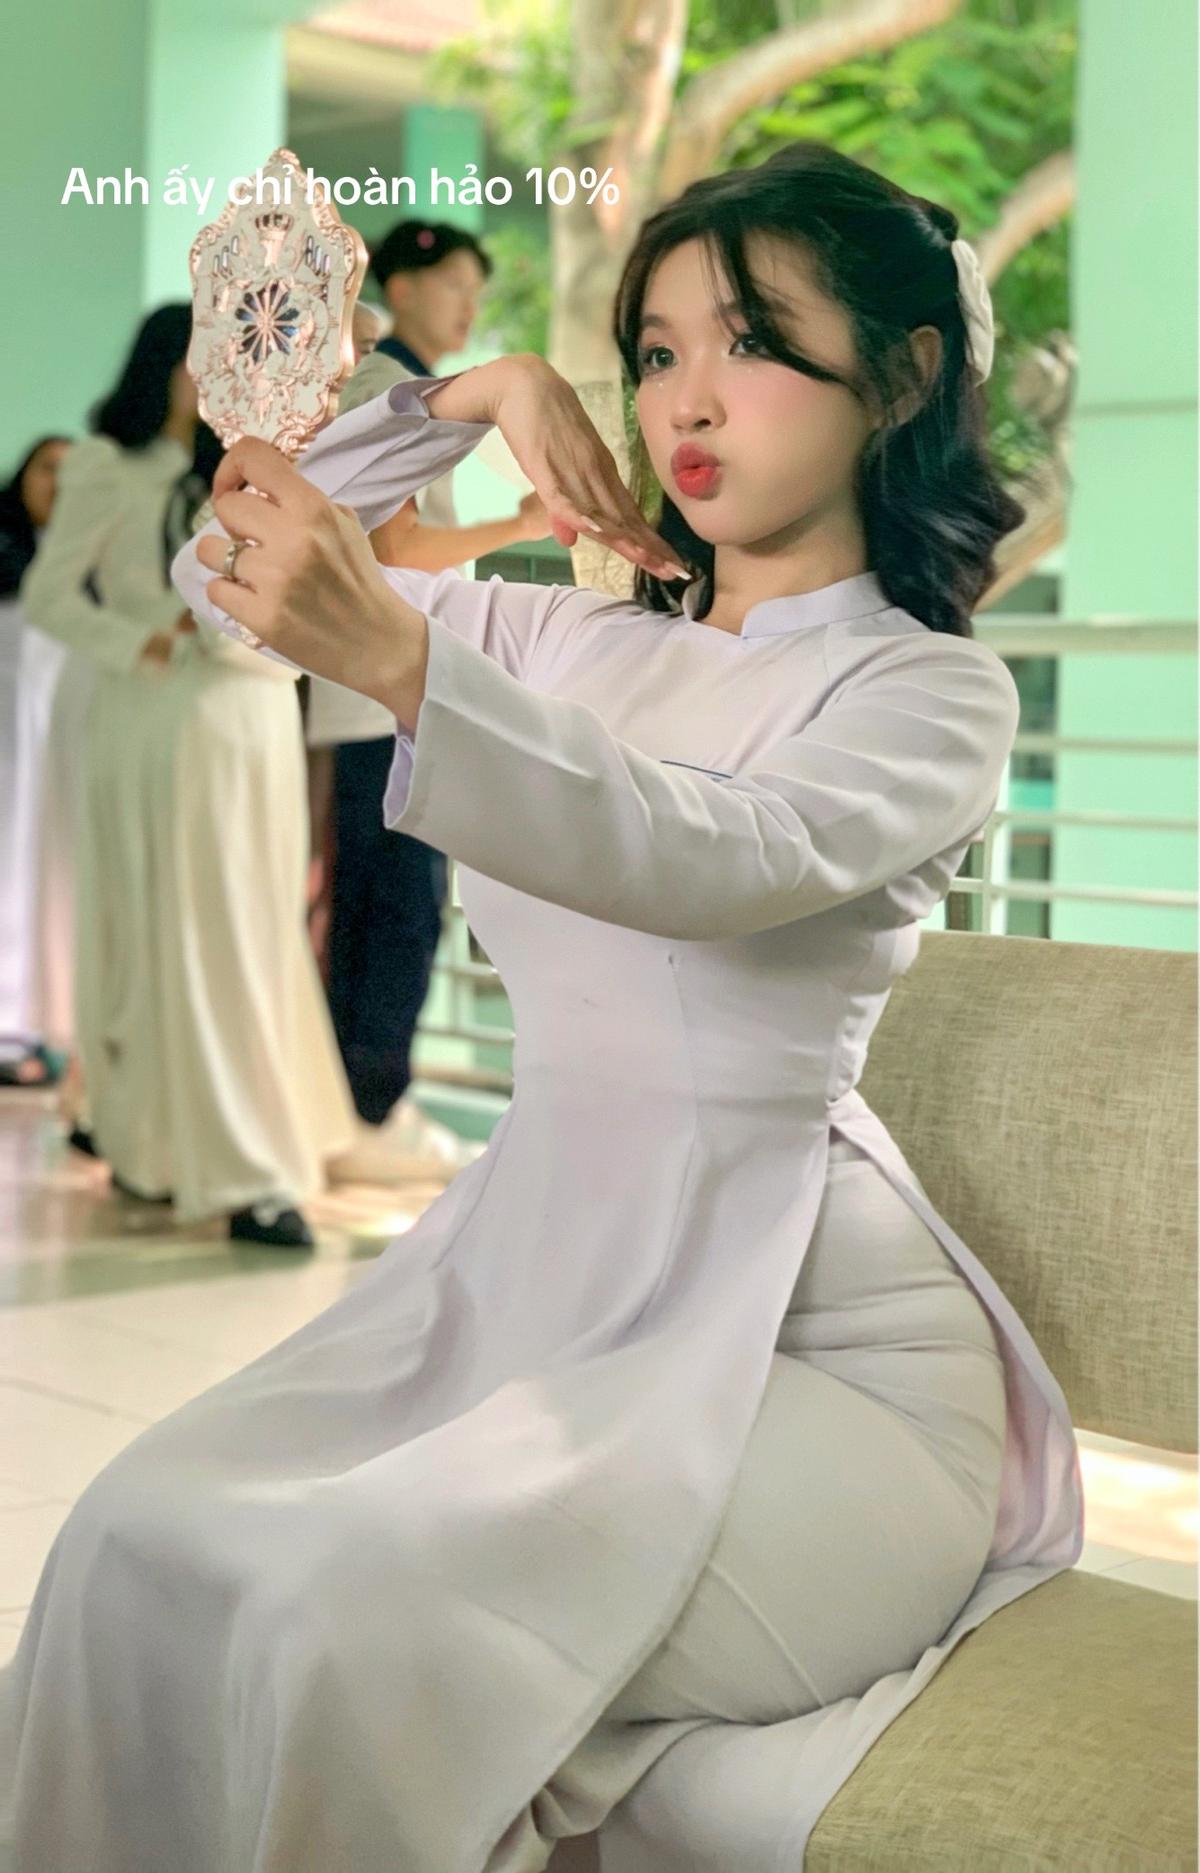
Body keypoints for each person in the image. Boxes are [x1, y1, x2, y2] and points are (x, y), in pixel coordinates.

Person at [1, 144, 1084, 1872]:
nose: (686, 399)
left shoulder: (929, 691)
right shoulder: (574, 642)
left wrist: (408, 661)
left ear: (900, 377)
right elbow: (228, 574)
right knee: (132, 1535)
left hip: (821, 1367)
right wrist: (472, 394)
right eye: (655, 352)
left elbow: (708, 854)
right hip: (545, 1281)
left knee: (342, 1620)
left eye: (751, 344)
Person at [19, 304, 355, 1244]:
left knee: (253, 928)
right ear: (168, 363)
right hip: (162, 715)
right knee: (180, 934)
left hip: (256, 716)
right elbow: (51, 595)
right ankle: (215, 1159)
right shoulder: (107, 466)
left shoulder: (257, 468)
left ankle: (218, 1146)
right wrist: (144, 642)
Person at [307, 220, 548, 1184]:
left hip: (382, 689)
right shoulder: (386, 388)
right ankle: (367, 1110)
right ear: (397, 288)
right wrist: (523, 523)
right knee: (392, 909)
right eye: (452, 283)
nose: (468, 306)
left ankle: (361, 1105)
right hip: (385, 690)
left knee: (379, 906)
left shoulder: (401, 387)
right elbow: (400, 549)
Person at [0, 436, 72, 1087]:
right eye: (49, 468)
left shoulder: (94, 569)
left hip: (65, 749)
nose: (60, 482)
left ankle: (54, 1029)